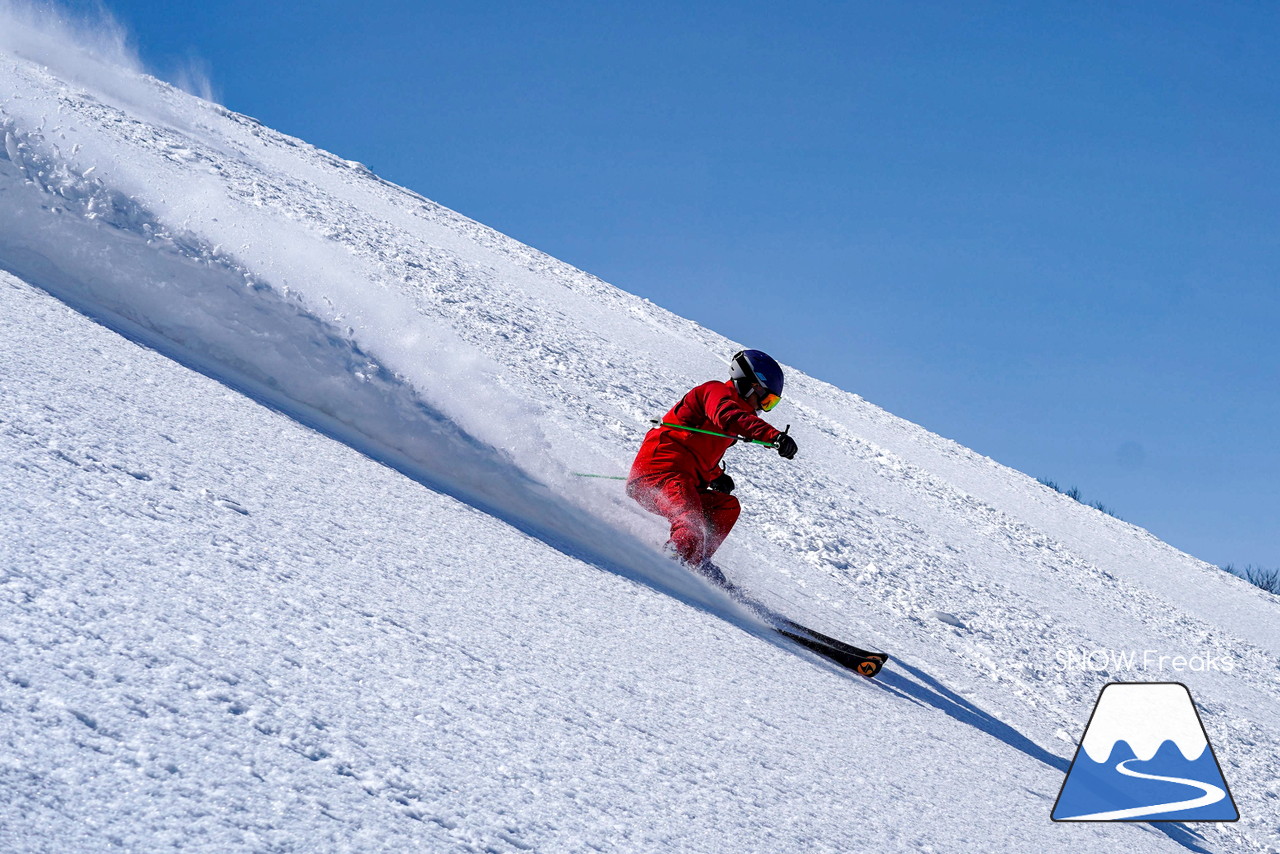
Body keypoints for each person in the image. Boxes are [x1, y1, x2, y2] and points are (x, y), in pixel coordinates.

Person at [627, 349, 798, 585]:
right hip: (659, 475)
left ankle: (696, 559)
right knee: (690, 523)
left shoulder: (736, 412)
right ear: (749, 384)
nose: (762, 407)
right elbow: (728, 416)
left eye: (771, 404)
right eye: (765, 399)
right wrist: (773, 436)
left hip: (682, 480)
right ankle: (669, 564)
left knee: (726, 507)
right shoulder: (715, 391)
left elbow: (699, 448)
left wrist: (715, 475)